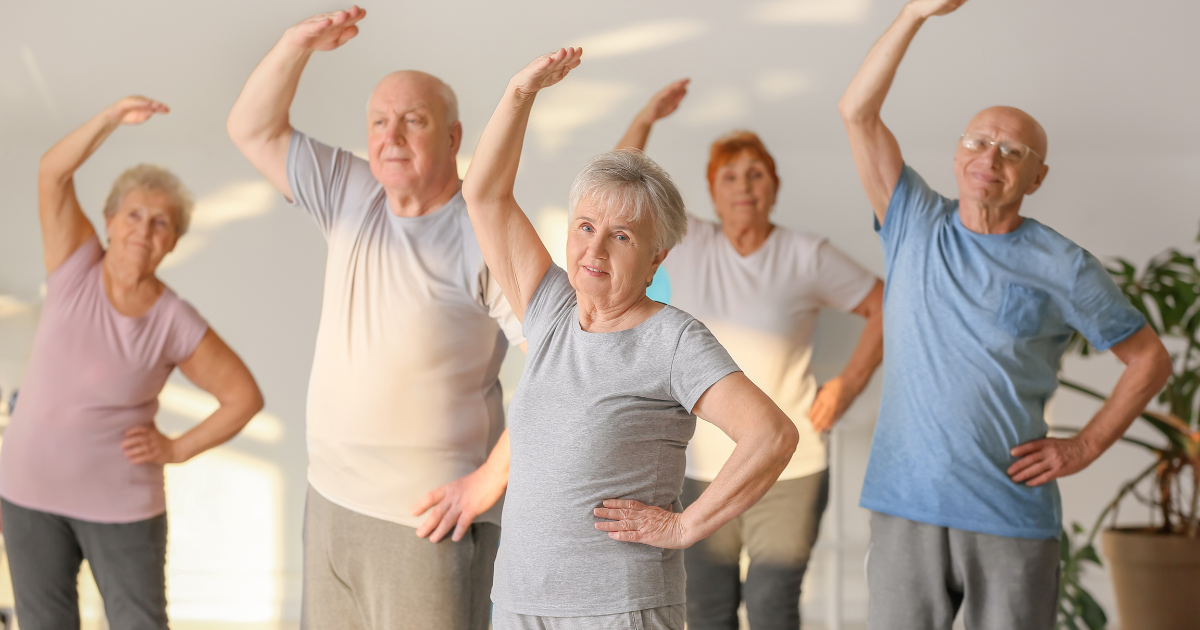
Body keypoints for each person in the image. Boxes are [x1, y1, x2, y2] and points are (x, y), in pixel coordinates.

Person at [837, 1, 1173, 628]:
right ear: (959, 153)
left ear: (1036, 177)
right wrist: (914, 14)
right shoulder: (912, 219)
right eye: (979, 141)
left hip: (1009, 512)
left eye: (1012, 151)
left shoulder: (1064, 265)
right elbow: (857, 111)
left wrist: (1086, 446)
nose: (991, 157)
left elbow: (1149, 359)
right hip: (905, 505)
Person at [461, 47, 800, 630]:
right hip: (520, 602)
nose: (593, 250)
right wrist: (521, 92)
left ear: (655, 258)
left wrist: (684, 526)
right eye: (586, 227)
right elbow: (485, 195)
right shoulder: (550, 311)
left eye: (620, 236)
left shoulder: (673, 340)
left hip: (619, 608)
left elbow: (771, 436)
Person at [226, 7, 525, 630]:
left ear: (452, 137)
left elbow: (569, 365)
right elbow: (251, 129)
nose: (391, 137)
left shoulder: (485, 232)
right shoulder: (350, 191)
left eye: (414, 121)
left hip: (427, 522)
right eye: (380, 122)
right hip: (330, 503)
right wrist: (296, 44)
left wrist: (489, 481)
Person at [616, 82, 885, 630]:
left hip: (791, 467)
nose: (744, 186)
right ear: (711, 192)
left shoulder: (807, 255)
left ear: (774, 187)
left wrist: (848, 385)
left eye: (755, 173)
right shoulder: (688, 245)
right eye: (730, 176)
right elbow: (623, 188)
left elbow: (887, 305)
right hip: (699, 466)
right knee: (707, 611)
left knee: (770, 605)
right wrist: (646, 116)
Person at [0, 96, 264, 630]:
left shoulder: (174, 320)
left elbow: (244, 398)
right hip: (28, 493)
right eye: (135, 215)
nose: (144, 230)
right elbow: (53, 171)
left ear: (173, 241)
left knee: (138, 623)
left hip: (119, 504)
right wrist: (108, 120)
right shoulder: (75, 265)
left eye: (161, 222)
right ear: (110, 221)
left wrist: (176, 448)